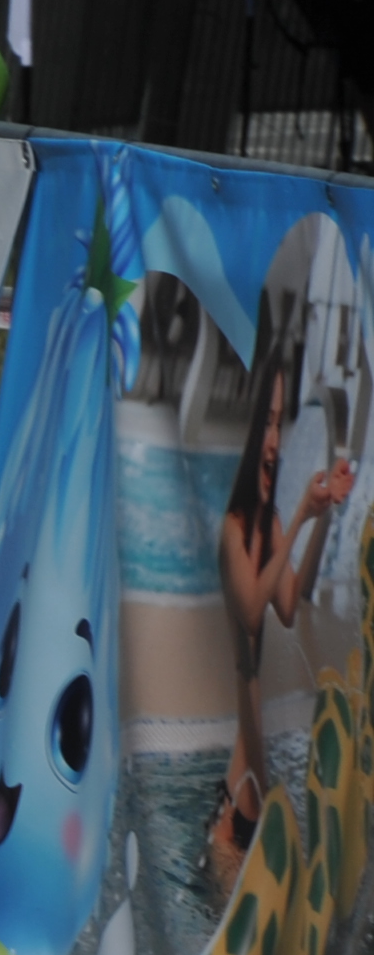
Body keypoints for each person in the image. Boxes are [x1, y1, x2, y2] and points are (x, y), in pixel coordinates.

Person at [213, 340, 355, 898]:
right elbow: (252, 611)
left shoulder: (267, 526)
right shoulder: (233, 531)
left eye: (279, 422)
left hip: (258, 784)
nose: (274, 440)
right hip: (236, 807)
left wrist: (323, 515)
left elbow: (290, 606)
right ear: (252, 431)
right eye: (267, 423)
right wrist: (298, 516)